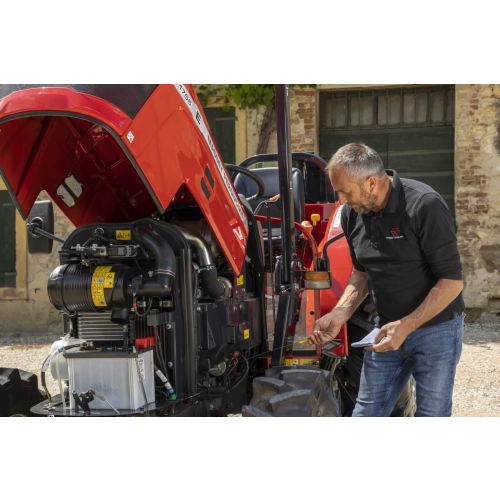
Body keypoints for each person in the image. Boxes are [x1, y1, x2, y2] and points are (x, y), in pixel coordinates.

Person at [309, 143, 465, 417]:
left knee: (432, 415)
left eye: (345, 191)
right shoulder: (351, 214)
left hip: (436, 330)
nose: (342, 199)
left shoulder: (424, 204)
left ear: (371, 183)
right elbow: (361, 272)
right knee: (367, 413)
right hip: (384, 330)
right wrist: (340, 313)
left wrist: (407, 325)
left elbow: (452, 281)